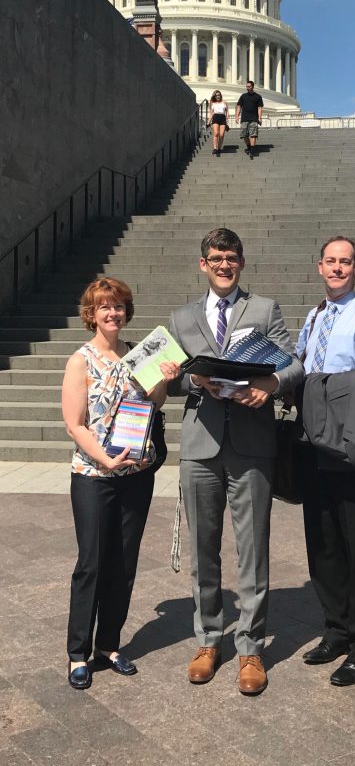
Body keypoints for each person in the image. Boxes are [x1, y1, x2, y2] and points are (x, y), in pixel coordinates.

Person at [167, 227, 304, 695]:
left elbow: (294, 363)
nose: (224, 265)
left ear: (241, 263)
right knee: (203, 549)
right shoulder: (182, 316)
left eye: (232, 257)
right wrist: (193, 381)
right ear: (202, 264)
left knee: (252, 549)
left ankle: (249, 647)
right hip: (201, 443)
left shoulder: (264, 309)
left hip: (251, 443)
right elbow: (170, 379)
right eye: (216, 258)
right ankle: (207, 639)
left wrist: (270, 385)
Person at [62, 277, 181, 690]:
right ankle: (78, 652)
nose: (112, 313)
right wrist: (103, 458)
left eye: (118, 306)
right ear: (91, 314)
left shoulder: (138, 353)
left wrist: (164, 378)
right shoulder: (81, 360)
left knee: (124, 562)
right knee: (92, 562)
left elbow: (153, 403)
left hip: (136, 472)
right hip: (95, 475)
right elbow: (74, 424)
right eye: (104, 307)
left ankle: (108, 645)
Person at [296, 236, 355, 686]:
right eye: (331, 262)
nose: (337, 268)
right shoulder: (314, 316)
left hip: (351, 437)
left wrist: (315, 388)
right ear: (319, 267)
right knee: (324, 540)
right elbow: (299, 364)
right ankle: (335, 629)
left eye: (346, 262)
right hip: (314, 439)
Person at [235, 80, 263, 159]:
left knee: (253, 134)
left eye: (249, 87)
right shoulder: (243, 96)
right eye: (247, 87)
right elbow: (239, 106)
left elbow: (260, 108)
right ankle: (249, 146)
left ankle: (252, 151)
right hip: (244, 118)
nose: (247, 88)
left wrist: (260, 117)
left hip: (254, 118)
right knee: (244, 135)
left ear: (252, 87)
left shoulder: (258, 96)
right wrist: (237, 116)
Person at [209, 89, 228, 156]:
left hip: (222, 118)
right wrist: (209, 122)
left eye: (219, 95)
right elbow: (211, 113)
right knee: (216, 133)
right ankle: (215, 148)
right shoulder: (212, 103)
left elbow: (227, 111)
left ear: (220, 95)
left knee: (221, 134)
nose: (217, 96)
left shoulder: (224, 102)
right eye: (216, 95)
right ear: (214, 96)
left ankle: (219, 148)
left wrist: (227, 119)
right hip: (215, 118)